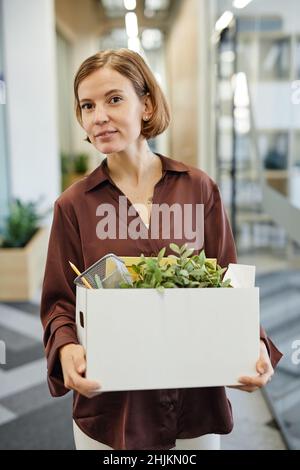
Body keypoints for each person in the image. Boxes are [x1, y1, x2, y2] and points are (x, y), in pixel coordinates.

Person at [40, 48, 282, 450]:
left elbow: (228, 281)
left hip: (191, 401)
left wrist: (252, 346)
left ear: (146, 104)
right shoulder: (74, 204)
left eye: (114, 99)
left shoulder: (197, 187)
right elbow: (59, 302)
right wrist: (66, 348)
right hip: (113, 405)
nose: (98, 115)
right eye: (87, 105)